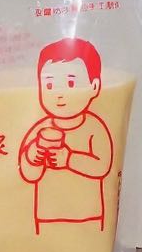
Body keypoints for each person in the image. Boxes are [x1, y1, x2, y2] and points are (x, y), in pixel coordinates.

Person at [18, 38, 115, 232]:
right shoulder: (40, 130)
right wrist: (32, 157)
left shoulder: (94, 128)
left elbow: (102, 166)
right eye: (49, 85)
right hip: (47, 216)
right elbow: (28, 174)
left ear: (94, 87)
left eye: (71, 83)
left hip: (88, 216)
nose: (59, 94)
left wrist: (69, 159)